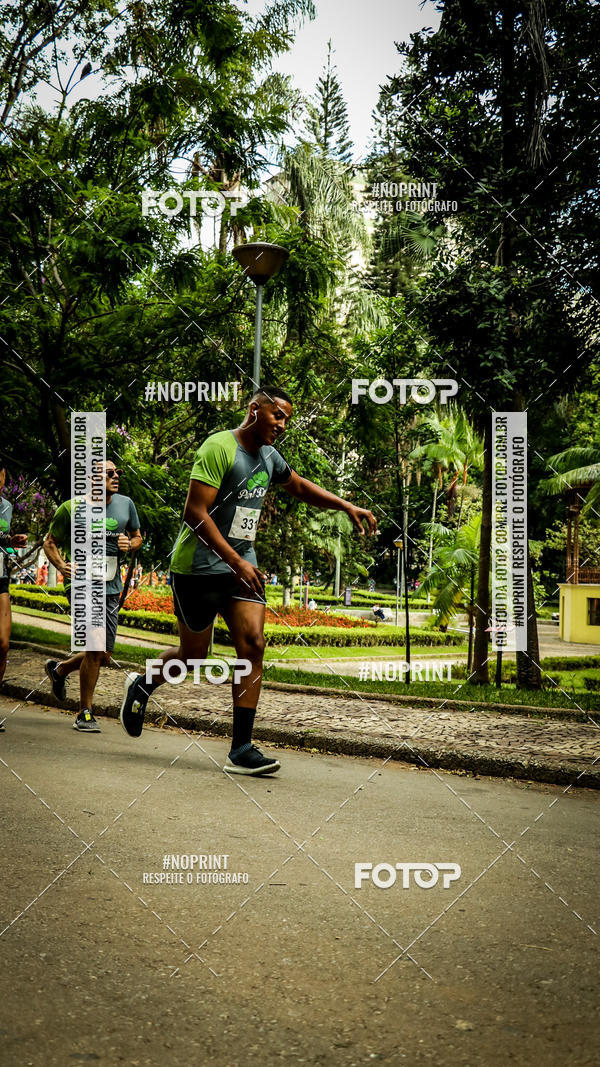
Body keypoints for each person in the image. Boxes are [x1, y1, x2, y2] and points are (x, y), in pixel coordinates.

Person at [119, 386, 377, 775]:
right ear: (254, 410)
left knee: (253, 644)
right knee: (193, 656)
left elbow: (299, 486)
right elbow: (194, 512)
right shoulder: (219, 448)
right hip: (197, 569)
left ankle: (241, 748)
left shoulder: (270, 457)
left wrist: (345, 505)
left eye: (287, 418)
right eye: (278, 416)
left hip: (243, 567)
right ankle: (142, 684)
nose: (283, 425)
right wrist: (235, 559)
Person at [42, 459, 142, 732]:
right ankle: (84, 712)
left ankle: (59, 670)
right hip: (81, 585)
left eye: (117, 472)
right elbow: (49, 542)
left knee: (103, 654)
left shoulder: (126, 505)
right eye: (109, 473)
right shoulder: (71, 509)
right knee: (96, 648)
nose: (115, 476)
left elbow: (137, 537)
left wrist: (129, 544)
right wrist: (62, 565)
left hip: (110, 586)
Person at [0, 465, 28, 725]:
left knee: (3, 643)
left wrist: (12, 541)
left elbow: (2, 539)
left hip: (0, 579)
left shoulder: (6, 507)